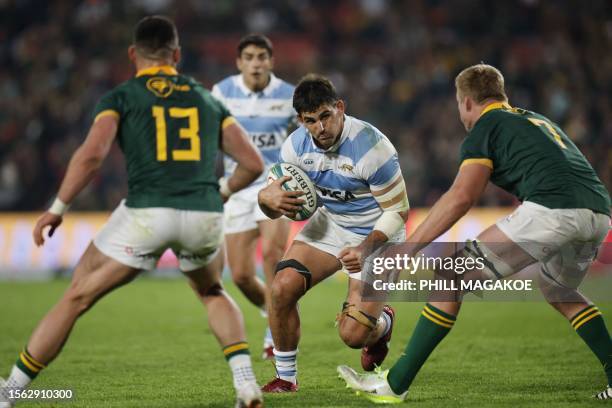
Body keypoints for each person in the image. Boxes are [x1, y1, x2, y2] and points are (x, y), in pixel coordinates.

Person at [0, 16, 265, 408]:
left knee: (77, 295)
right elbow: (253, 163)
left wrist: (57, 208)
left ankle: (10, 392)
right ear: (176, 55)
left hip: (146, 212)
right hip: (203, 213)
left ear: (132, 55)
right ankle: (246, 384)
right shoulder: (208, 99)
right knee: (211, 290)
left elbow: (91, 156)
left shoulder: (122, 97)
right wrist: (220, 192)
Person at [337, 63, 612, 402]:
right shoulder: (536, 120)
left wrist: (408, 249)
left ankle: (395, 385)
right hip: (598, 213)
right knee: (559, 289)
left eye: (458, 104)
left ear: (466, 101)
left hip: (553, 210)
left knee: (450, 276)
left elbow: (461, 197)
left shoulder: (485, 127)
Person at [257, 74, 411, 392]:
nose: (320, 128)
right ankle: (286, 379)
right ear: (301, 120)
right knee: (281, 288)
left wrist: (364, 249)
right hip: (332, 224)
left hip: (379, 235)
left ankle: (382, 325)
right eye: (310, 121)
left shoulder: (373, 147)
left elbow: (398, 211)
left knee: (353, 336)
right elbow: (279, 204)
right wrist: (265, 200)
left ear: (339, 108)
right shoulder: (294, 148)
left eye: (326, 116)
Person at [211, 34, 296, 360]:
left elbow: (304, 138)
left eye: (262, 56)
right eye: (249, 57)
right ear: (239, 62)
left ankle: (275, 331)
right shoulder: (222, 92)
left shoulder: (288, 95)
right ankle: (272, 311)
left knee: (273, 256)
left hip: (276, 185)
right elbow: (209, 134)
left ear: (271, 61)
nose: (256, 63)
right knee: (243, 275)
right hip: (238, 187)